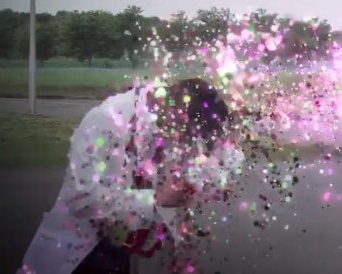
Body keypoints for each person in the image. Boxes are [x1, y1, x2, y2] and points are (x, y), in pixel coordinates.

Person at [17, 78, 243, 274]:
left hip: (130, 255)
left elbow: (219, 167)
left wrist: (221, 162)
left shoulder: (167, 123)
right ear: (179, 115)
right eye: (186, 136)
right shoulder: (106, 120)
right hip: (80, 253)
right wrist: (155, 200)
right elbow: (83, 199)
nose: (184, 146)